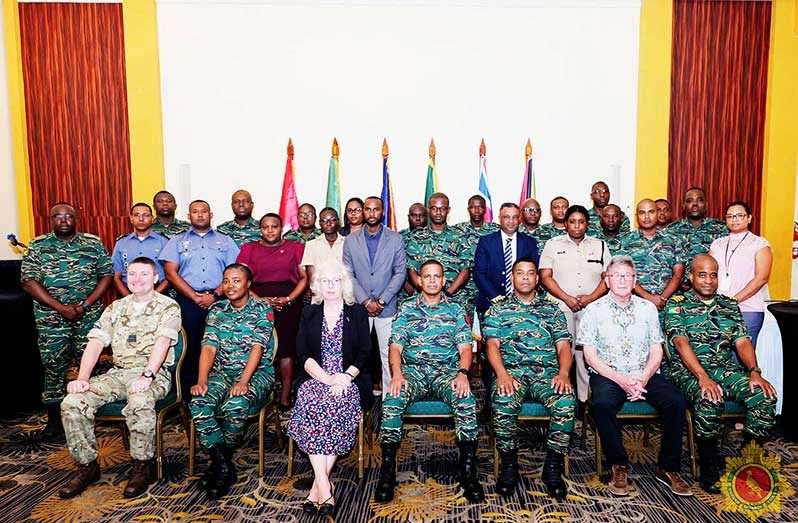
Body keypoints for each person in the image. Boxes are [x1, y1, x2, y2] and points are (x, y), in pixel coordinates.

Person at [59, 257, 181, 499]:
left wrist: (148, 375)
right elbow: (95, 342)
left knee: (139, 400)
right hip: (119, 373)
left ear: (155, 278)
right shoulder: (115, 308)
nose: (137, 279)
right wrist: (82, 378)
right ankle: (87, 466)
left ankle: (141, 466)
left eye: (144, 274)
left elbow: (163, 342)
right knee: (72, 402)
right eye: (132, 274)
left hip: (154, 374)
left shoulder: (168, 306)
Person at [579, 256, 692, 497]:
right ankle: (618, 464)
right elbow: (590, 355)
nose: (622, 280)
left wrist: (642, 378)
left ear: (635, 280)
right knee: (602, 403)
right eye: (616, 276)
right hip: (609, 374)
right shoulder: (593, 310)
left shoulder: (648, 308)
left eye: (627, 276)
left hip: (645, 372)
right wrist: (622, 380)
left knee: (676, 401)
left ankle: (668, 467)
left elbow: (656, 350)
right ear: (607, 281)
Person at [665, 254, 777, 493]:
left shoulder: (728, 305)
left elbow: (743, 342)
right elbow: (681, 343)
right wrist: (702, 377)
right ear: (691, 277)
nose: (708, 280)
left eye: (713, 275)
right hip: (687, 372)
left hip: (725, 370)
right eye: (702, 275)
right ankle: (709, 465)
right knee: (710, 397)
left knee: (764, 396)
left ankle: (749, 462)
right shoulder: (677, 304)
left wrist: (754, 372)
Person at [375, 260, 483, 504]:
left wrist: (463, 373)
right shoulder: (406, 308)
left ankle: (468, 473)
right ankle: (387, 472)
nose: (433, 280)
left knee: (465, 398)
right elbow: (395, 347)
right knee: (392, 398)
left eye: (437, 276)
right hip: (413, 372)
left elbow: (466, 348)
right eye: (427, 276)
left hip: (447, 373)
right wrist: (397, 374)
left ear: (444, 281)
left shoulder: (455, 310)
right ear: (419, 281)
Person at [21, 202, 114, 438]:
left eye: (68, 216)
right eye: (58, 216)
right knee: (53, 365)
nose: (63, 220)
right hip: (51, 318)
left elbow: (106, 275)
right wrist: (61, 308)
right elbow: (29, 282)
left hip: (88, 316)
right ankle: (54, 420)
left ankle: (94, 415)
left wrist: (85, 304)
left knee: (91, 365)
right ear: (51, 219)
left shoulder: (92, 243)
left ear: (76, 218)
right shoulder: (38, 245)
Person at [485, 257, 574, 500]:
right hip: (511, 373)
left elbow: (563, 346)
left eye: (530, 273)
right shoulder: (498, 308)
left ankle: (552, 468)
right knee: (503, 402)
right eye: (520, 273)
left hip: (547, 374)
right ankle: (509, 465)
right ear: (512, 278)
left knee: (565, 401)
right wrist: (501, 374)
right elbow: (491, 345)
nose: (525, 277)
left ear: (537, 278)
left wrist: (564, 373)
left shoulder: (552, 309)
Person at [288, 260, 372, 516]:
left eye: (336, 281)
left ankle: (318, 488)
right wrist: (327, 379)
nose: (331, 286)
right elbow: (302, 354)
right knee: (313, 400)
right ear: (317, 286)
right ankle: (324, 484)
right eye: (326, 281)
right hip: (316, 376)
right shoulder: (309, 313)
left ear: (344, 283)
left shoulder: (356, 312)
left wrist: (345, 377)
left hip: (350, 377)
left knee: (336, 403)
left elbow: (365, 352)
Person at [190, 264, 275, 499]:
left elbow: (258, 348)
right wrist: (202, 380)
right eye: (226, 281)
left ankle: (219, 462)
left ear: (248, 284)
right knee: (198, 402)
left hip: (257, 373)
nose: (230, 286)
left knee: (235, 406)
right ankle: (224, 465)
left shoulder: (262, 308)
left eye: (237, 281)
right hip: (223, 373)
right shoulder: (217, 310)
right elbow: (208, 347)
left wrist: (244, 381)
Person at [160, 200, 240, 402]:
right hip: (189, 301)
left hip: (221, 301)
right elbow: (170, 272)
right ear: (189, 216)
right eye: (195, 212)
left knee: (223, 344)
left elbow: (235, 272)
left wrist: (214, 295)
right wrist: (195, 296)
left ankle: (222, 394)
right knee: (191, 346)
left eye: (204, 211)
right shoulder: (177, 241)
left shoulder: (226, 241)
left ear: (211, 214)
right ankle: (189, 395)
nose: (200, 215)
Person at [237, 213, 308, 410]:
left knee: (286, 349)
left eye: (274, 226)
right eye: (265, 227)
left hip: (288, 303)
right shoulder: (249, 248)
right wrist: (260, 300)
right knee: (257, 346)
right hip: (256, 303)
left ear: (281, 228)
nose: (270, 230)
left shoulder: (295, 247)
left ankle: (285, 396)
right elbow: (241, 278)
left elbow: (304, 278)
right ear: (260, 229)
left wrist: (288, 299)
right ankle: (257, 394)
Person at [539, 205, 609, 403]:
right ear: (566, 223)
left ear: (587, 223)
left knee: (587, 354)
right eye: (572, 221)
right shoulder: (552, 244)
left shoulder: (600, 245)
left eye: (581, 221)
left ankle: (584, 402)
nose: (576, 226)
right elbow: (545, 276)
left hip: (591, 307)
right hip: (562, 307)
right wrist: (567, 298)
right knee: (563, 351)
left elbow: (607, 277)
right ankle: (562, 397)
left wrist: (590, 298)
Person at [342, 197, 406, 397]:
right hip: (360, 308)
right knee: (355, 355)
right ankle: (357, 400)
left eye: (375, 209)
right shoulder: (351, 240)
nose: (371, 213)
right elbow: (348, 273)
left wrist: (381, 301)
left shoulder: (395, 238)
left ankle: (389, 401)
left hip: (386, 308)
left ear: (382, 212)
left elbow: (400, 273)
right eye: (367, 209)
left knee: (389, 356)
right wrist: (366, 301)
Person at [709, 201, 772, 347]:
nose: (734, 219)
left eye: (739, 215)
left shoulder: (760, 244)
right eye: (730, 216)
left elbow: (761, 278)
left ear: (749, 218)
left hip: (748, 308)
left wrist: (734, 300)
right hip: (718, 307)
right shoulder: (717, 244)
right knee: (718, 356)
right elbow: (709, 274)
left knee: (743, 357)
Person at [404, 192, 470, 310]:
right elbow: (411, 270)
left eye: (442, 209)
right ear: (429, 210)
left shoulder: (460, 236)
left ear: (448, 210)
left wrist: (448, 293)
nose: (438, 213)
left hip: (454, 301)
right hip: (423, 302)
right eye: (434, 208)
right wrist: (427, 292)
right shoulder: (417, 237)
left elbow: (465, 270)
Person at [473, 203, 540, 316]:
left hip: (523, 306)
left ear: (519, 219)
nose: (511, 221)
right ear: (499, 219)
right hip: (491, 304)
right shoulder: (486, 242)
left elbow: (534, 272)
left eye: (515, 217)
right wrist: (497, 298)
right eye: (506, 217)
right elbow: (479, 274)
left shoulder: (529, 242)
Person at [621, 199, 684, 317]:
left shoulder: (673, 240)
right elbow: (624, 274)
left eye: (651, 212)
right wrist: (649, 298)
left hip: (668, 305)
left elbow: (678, 274)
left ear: (657, 214)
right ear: (636, 216)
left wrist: (663, 298)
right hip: (636, 304)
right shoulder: (626, 241)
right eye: (642, 213)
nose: (646, 217)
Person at [454, 194, 500, 319]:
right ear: (468, 209)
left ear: (485, 209)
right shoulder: (457, 230)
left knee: (489, 325)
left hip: (488, 287)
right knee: (465, 326)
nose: (476, 210)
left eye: (480, 207)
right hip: (463, 290)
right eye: (473, 207)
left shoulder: (495, 229)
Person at [665, 187, 727, 276]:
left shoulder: (721, 228)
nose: (695, 204)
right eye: (689, 201)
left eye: (700, 200)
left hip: (711, 284)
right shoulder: (671, 230)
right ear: (683, 206)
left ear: (706, 204)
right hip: (680, 286)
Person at [112, 203, 170, 296]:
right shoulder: (121, 243)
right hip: (128, 292)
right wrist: (129, 299)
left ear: (152, 219)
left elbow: (170, 274)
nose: (141, 219)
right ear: (131, 219)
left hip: (158, 292)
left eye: (146, 215)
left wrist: (154, 296)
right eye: (136, 215)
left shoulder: (164, 242)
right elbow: (116, 276)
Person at [301, 207, 346, 284]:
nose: (328, 224)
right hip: (320, 292)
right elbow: (312, 278)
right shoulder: (311, 245)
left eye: (332, 220)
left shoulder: (348, 243)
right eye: (324, 221)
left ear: (338, 221)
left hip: (344, 291)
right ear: (320, 223)